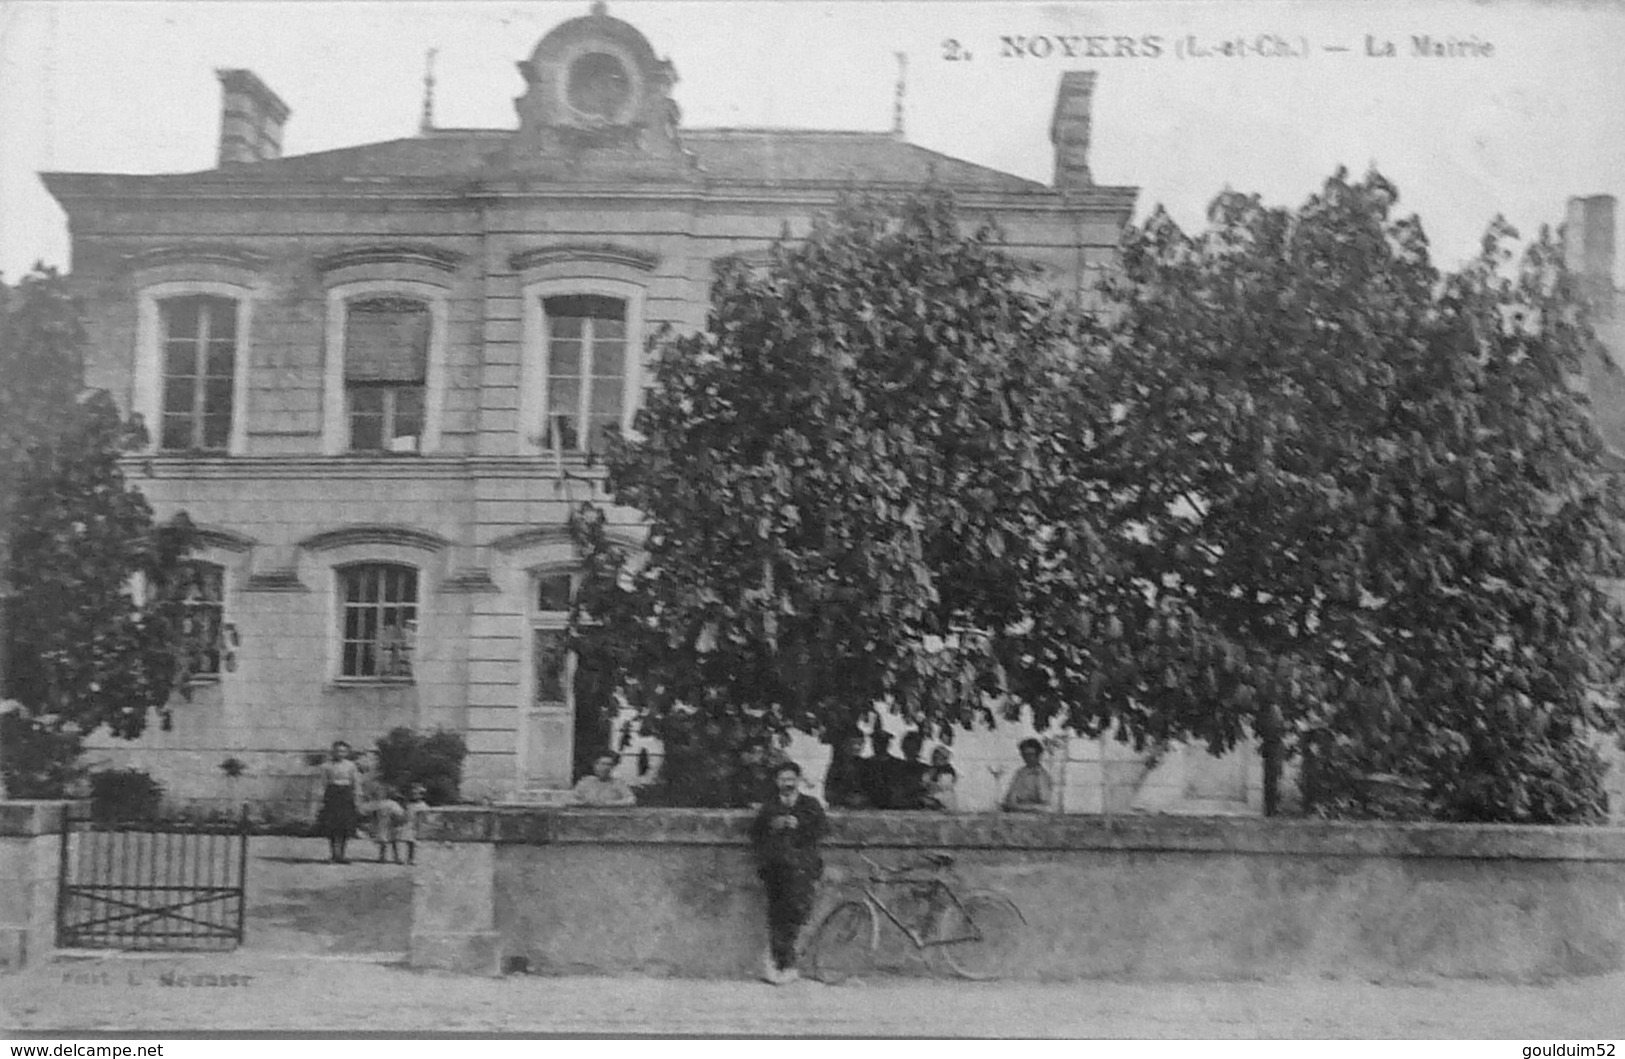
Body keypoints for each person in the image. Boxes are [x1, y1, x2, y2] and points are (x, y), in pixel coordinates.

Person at [750, 761, 827, 985]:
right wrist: (773, 826)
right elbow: (756, 834)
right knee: (778, 915)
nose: (788, 784)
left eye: (791, 779)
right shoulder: (769, 807)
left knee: (798, 912)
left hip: (803, 869)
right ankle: (783, 963)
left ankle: (784, 959)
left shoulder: (810, 805)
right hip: (776, 869)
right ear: (777, 782)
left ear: (798, 781)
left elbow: (822, 829)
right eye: (783, 779)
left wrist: (800, 824)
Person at [315, 740, 363, 863]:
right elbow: (322, 784)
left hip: (346, 795)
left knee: (345, 826)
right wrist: (320, 800)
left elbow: (356, 783)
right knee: (332, 826)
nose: (340, 753)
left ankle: (342, 855)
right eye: (337, 751)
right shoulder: (326, 766)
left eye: (343, 751)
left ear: (347, 752)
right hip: (332, 795)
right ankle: (333, 855)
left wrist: (357, 799)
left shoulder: (351, 766)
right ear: (333, 752)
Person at [1001, 737, 1056, 813]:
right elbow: (1010, 797)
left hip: (1032, 817)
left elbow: (1045, 806)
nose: (1028, 758)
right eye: (1024, 755)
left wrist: (1020, 806)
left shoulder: (1041, 776)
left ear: (1038, 755)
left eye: (1031, 754)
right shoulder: (1020, 773)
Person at [822, 730, 870, 809]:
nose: (857, 747)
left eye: (860, 744)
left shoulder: (866, 765)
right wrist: (846, 799)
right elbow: (828, 793)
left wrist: (863, 798)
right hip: (842, 808)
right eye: (854, 743)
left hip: (863, 809)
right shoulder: (837, 766)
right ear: (846, 744)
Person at [571, 750, 637, 806]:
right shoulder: (585, 782)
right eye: (602, 764)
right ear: (595, 765)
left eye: (609, 765)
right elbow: (572, 799)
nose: (606, 768)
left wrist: (610, 803)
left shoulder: (618, 783)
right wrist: (585, 803)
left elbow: (631, 800)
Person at [890, 730, 930, 810]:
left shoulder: (925, 769)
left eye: (913, 747)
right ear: (903, 747)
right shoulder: (896, 766)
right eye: (908, 747)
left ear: (919, 748)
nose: (910, 750)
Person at [861, 728, 899, 809]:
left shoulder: (896, 764)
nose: (878, 745)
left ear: (888, 744)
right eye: (876, 742)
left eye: (882, 742)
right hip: (869, 803)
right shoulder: (865, 764)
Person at [371, 787, 407, 863]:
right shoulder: (387, 804)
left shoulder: (386, 803)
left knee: (388, 841)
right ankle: (389, 857)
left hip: (386, 823)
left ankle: (388, 857)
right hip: (386, 823)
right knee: (388, 841)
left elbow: (399, 813)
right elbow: (400, 814)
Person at [922, 745, 959, 812]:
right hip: (934, 796)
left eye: (938, 757)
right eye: (934, 757)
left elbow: (944, 786)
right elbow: (925, 781)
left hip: (943, 798)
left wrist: (931, 785)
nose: (935, 760)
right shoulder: (932, 770)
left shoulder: (948, 771)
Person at [400, 783, 429, 865]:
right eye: (412, 794)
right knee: (408, 842)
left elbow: (424, 817)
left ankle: (414, 858)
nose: (414, 796)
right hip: (409, 825)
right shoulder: (409, 805)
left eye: (416, 794)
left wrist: (421, 825)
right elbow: (405, 814)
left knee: (414, 843)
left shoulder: (422, 806)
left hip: (417, 826)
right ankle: (409, 858)